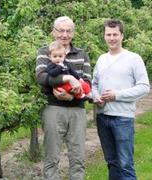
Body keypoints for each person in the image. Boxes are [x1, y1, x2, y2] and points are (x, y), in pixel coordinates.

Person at [92, 19, 150, 180]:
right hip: (103, 117)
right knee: (112, 162)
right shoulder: (101, 59)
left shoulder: (133, 59)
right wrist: (96, 97)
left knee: (125, 164)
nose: (112, 38)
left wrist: (117, 95)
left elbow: (144, 86)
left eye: (115, 34)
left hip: (123, 118)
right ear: (104, 36)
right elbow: (94, 84)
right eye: (108, 34)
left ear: (122, 35)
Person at [36, 16, 91, 180]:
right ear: (54, 32)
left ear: (73, 33)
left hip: (77, 109)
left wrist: (70, 96)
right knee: (51, 155)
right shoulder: (45, 51)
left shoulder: (82, 54)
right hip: (53, 109)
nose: (65, 35)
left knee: (78, 156)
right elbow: (41, 77)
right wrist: (67, 79)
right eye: (61, 30)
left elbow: (87, 82)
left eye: (68, 31)